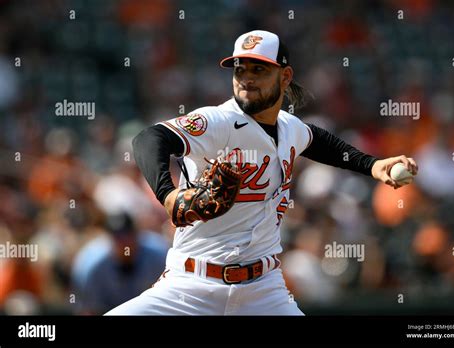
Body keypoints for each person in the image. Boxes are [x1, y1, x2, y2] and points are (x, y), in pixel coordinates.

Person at [105, 30, 418, 315]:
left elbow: (318, 141)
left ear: (285, 77)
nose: (246, 78)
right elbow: (149, 139)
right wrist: (169, 194)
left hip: (263, 291)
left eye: (259, 69)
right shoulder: (218, 122)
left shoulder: (289, 127)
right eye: (240, 68)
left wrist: (373, 165)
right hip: (191, 287)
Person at [72, 212, 168, 314]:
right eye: (118, 237)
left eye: (127, 234)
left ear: (136, 234)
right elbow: (87, 309)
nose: (124, 241)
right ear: (108, 238)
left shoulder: (159, 255)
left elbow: (171, 297)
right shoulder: (91, 264)